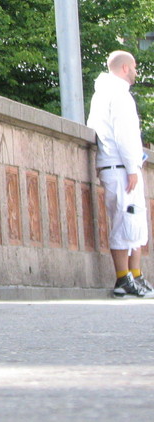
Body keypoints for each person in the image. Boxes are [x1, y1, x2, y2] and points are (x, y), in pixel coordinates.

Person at [86, 50, 153, 298]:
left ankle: (134, 276)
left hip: (120, 165)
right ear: (125, 68)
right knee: (124, 222)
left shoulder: (104, 93)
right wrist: (132, 166)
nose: (136, 72)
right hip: (120, 166)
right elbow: (123, 134)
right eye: (134, 67)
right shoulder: (118, 94)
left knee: (133, 221)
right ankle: (123, 279)